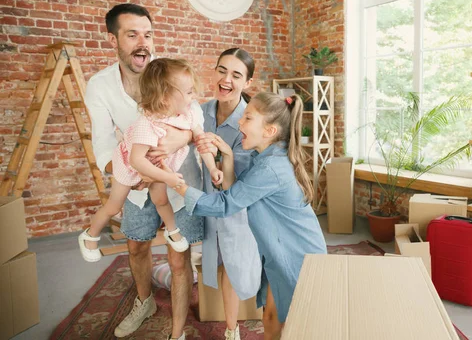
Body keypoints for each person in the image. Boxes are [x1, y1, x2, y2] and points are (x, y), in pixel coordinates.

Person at [85, 4, 204, 340]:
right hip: (134, 179)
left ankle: (177, 331)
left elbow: (196, 118)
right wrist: (141, 175)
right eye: (132, 34)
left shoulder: (168, 70)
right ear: (113, 39)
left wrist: (172, 144)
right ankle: (144, 301)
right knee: (136, 246)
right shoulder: (99, 85)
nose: (143, 42)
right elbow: (103, 146)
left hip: (177, 174)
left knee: (179, 256)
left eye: (148, 34)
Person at [171, 92, 328, 340]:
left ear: (269, 131)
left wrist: (178, 187)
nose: (239, 123)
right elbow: (238, 193)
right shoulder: (265, 157)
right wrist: (229, 157)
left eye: (247, 118)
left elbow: (226, 204)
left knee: (298, 325)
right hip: (280, 253)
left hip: (296, 256)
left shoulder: (270, 168)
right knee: (270, 317)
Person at [79, 58, 223, 262]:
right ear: (166, 98)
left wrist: (211, 166)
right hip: (129, 166)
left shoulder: (187, 113)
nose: (195, 96)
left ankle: (172, 231)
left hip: (156, 168)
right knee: (113, 206)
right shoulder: (147, 124)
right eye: (189, 92)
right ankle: (89, 236)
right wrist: (168, 177)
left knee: (161, 200)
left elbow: (201, 140)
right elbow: (136, 161)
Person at [194, 48, 261, 340]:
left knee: (233, 264)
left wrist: (222, 160)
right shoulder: (200, 111)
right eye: (222, 70)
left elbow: (241, 180)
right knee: (213, 260)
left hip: (238, 207)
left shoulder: (250, 121)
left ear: (247, 83)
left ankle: (232, 330)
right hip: (206, 200)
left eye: (236, 75)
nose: (226, 79)